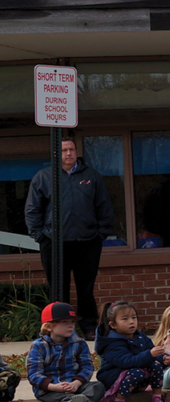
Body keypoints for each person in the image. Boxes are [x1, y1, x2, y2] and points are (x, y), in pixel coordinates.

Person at [24, 134, 115, 334]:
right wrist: (40, 236)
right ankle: (58, 329)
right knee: (58, 290)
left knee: (86, 289)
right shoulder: (43, 177)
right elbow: (32, 210)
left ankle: (89, 327)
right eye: (64, 150)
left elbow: (104, 207)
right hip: (54, 244)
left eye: (71, 150)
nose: (68, 153)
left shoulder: (91, 176)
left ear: (76, 152)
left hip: (87, 242)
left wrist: (101, 234)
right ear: (56, 154)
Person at [27, 302, 108, 402]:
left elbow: (87, 367)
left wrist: (76, 383)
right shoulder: (38, 346)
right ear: (48, 326)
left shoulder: (79, 343)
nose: (70, 325)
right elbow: (34, 374)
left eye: (72, 322)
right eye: (64, 322)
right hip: (50, 389)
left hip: (75, 386)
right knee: (56, 396)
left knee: (98, 386)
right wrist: (54, 386)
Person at [93, 301, 167, 402]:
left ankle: (156, 398)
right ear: (113, 325)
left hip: (136, 375)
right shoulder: (112, 343)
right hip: (114, 377)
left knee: (156, 365)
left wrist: (162, 358)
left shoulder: (139, 336)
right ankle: (118, 401)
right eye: (125, 319)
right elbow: (127, 361)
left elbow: (149, 350)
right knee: (136, 372)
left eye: (134, 317)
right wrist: (150, 354)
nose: (131, 322)